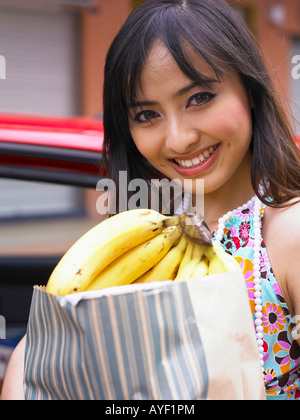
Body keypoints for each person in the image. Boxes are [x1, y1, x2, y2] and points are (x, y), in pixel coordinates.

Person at [2, 0, 300, 400]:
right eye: (146, 115)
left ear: (248, 90)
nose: (179, 138)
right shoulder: (142, 240)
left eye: (199, 98)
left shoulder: (288, 236)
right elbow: (41, 357)